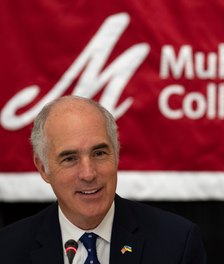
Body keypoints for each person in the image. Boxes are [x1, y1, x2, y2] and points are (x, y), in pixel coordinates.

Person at [0, 95, 206, 264]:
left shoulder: (177, 241)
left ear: (116, 154)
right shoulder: (8, 249)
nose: (88, 174)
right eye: (70, 159)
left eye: (99, 153)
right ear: (43, 168)